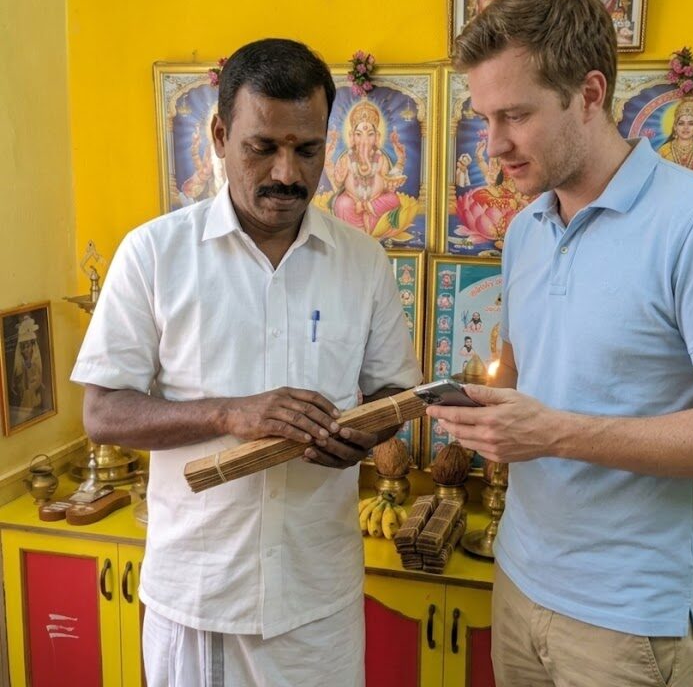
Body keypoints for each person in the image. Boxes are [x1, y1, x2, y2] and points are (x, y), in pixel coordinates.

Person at [428, 0, 693, 686]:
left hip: (627, 623)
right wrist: (476, 410)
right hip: (518, 583)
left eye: (515, 115)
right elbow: (526, 383)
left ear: (588, 94)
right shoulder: (524, 230)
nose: (494, 146)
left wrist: (551, 432)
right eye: (485, 118)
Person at [71, 38, 421, 687]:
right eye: (263, 147)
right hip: (201, 601)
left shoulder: (362, 260)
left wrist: (362, 434)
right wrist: (232, 413)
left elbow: (395, 389)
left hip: (318, 604)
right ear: (221, 133)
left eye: (308, 150)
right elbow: (102, 411)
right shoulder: (154, 255)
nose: (288, 173)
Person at [325, 100, 407, 234]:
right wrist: (328, 161)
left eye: (370, 134)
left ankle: (369, 217)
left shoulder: (381, 159)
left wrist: (401, 160)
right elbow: (337, 183)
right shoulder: (347, 158)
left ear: (377, 137)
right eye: (359, 134)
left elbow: (388, 182)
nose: (364, 140)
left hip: (374, 203)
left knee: (393, 199)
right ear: (351, 137)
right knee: (342, 203)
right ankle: (355, 235)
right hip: (352, 202)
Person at [11, 314, 44, 421]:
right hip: (24, 399)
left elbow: (36, 381)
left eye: (28, 346)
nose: (25, 350)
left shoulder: (35, 363)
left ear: (32, 347)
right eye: (23, 347)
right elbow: (18, 382)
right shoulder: (20, 365)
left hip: (34, 398)